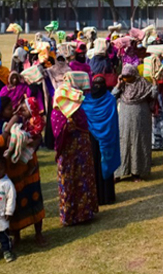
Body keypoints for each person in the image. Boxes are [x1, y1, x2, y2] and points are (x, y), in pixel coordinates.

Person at [0, 96, 47, 245]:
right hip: (11, 168)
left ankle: (38, 233)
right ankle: (17, 236)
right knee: (14, 201)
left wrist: (32, 141)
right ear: (0, 111)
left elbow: (37, 135)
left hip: (29, 165)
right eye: (9, 109)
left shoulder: (24, 120)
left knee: (34, 195)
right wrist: (12, 122)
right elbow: (0, 142)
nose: (13, 111)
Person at [51, 88, 99, 226]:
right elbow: (57, 133)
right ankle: (70, 215)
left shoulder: (78, 112)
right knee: (69, 182)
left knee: (83, 179)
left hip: (82, 154)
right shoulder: (56, 113)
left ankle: (85, 213)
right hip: (67, 156)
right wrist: (66, 127)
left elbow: (84, 126)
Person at [113, 64, 158, 180]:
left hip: (141, 119)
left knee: (138, 142)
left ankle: (136, 172)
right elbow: (112, 96)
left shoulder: (143, 84)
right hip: (124, 119)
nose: (126, 79)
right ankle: (120, 172)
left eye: (128, 76)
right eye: (124, 76)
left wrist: (154, 85)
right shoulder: (123, 85)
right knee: (123, 142)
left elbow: (153, 95)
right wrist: (118, 84)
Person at [82, 74, 120, 205]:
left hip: (92, 137)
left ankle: (97, 196)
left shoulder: (86, 101)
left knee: (94, 164)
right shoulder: (110, 99)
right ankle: (107, 196)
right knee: (102, 163)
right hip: (107, 138)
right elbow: (113, 122)